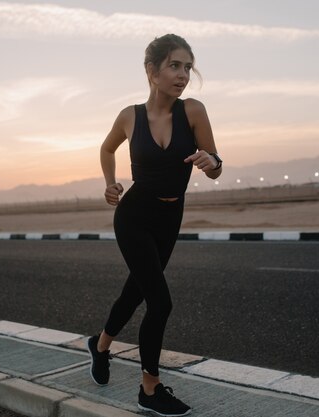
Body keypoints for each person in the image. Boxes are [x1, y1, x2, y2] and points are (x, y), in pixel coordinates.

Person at [88, 34, 222, 417]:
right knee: (160, 301)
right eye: (174, 66)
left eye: (187, 67)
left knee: (136, 293)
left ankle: (99, 346)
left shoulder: (193, 111)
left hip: (169, 219)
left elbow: (215, 162)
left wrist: (212, 164)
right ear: (152, 71)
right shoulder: (129, 116)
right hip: (133, 216)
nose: (183, 75)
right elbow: (106, 148)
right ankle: (150, 387)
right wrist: (110, 182)